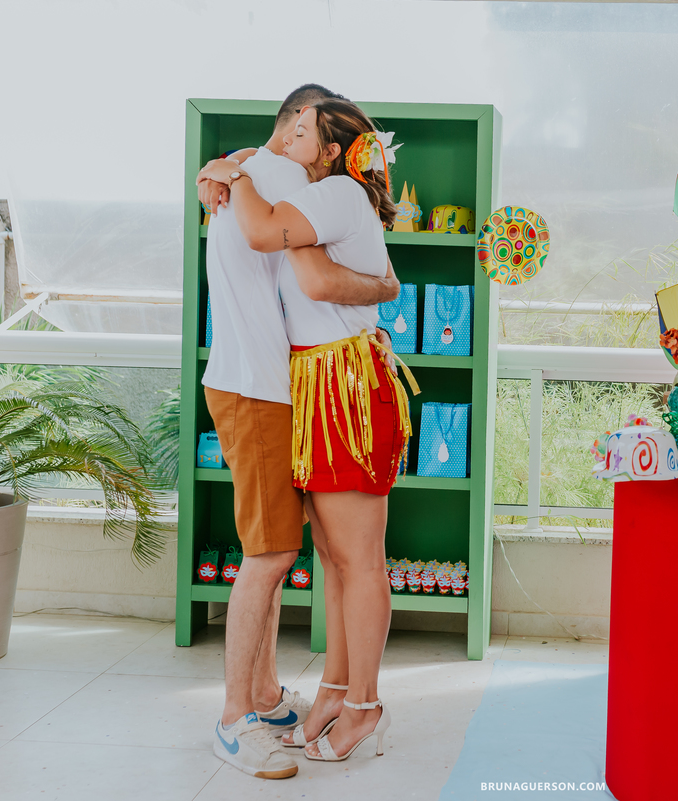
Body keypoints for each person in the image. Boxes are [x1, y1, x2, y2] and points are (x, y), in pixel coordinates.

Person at [198, 84, 400, 780]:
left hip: (326, 382)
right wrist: (233, 167)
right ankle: (278, 705)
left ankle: (348, 701)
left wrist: (230, 168)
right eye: (294, 123)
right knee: (313, 554)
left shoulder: (307, 186)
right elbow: (312, 268)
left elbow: (310, 276)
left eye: (309, 128)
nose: (294, 133)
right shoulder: (283, 178)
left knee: (343, 556)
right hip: (294, 384)